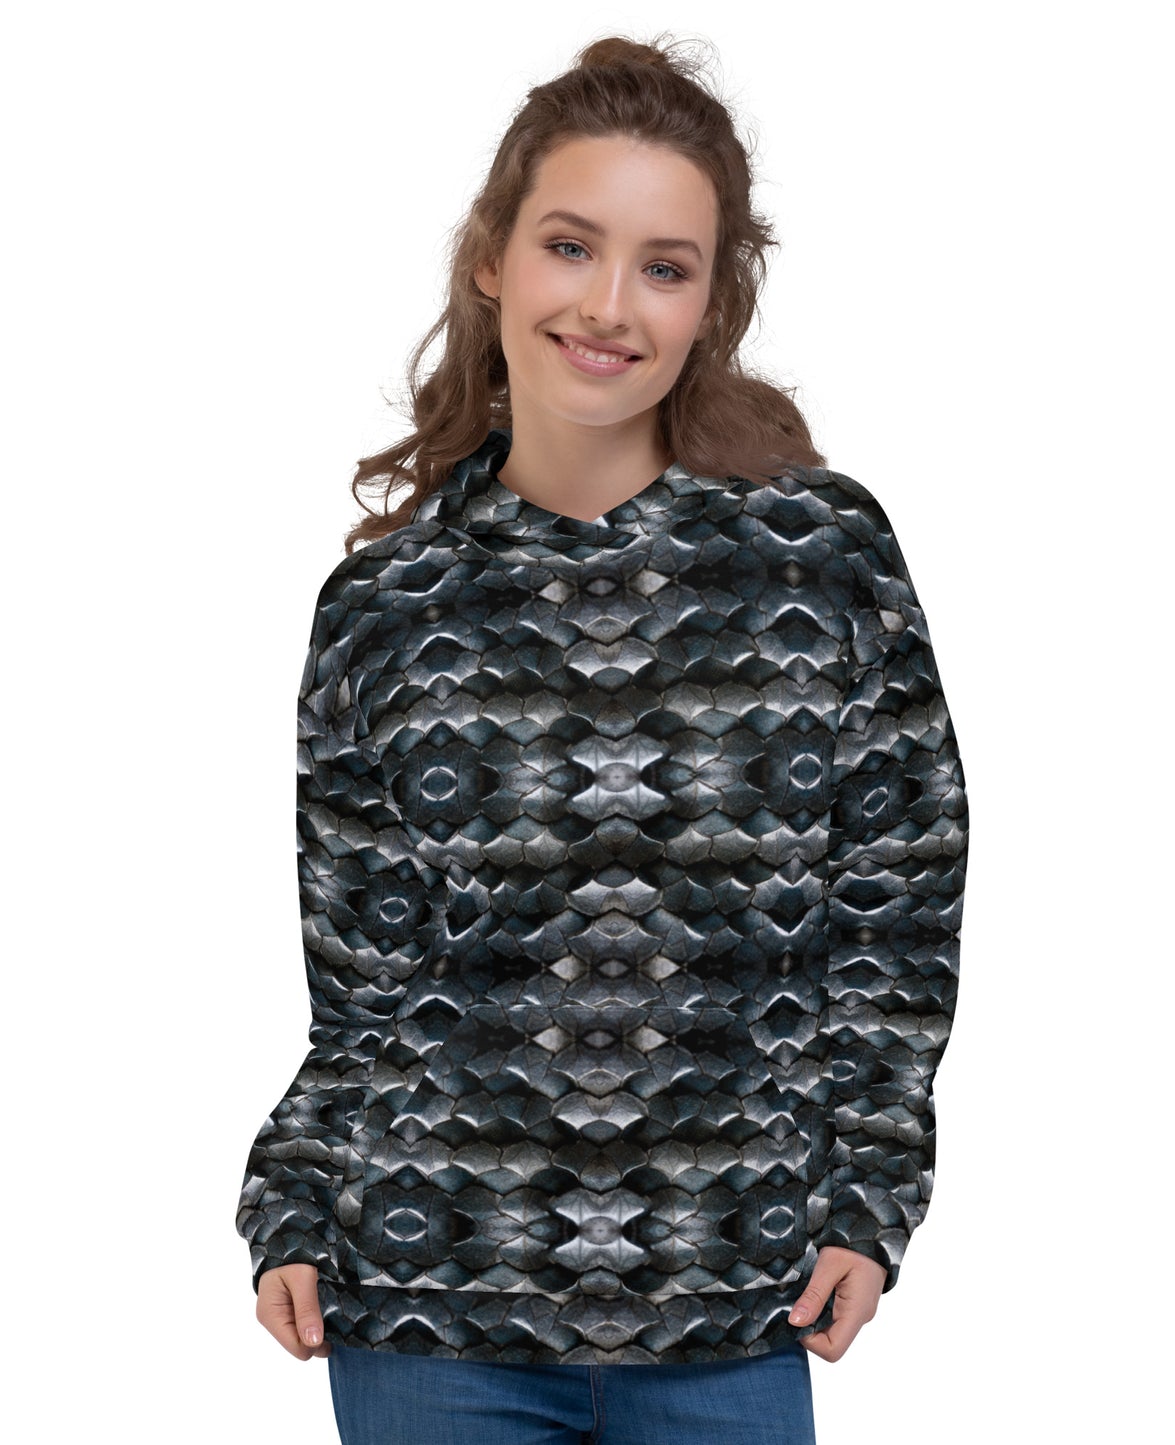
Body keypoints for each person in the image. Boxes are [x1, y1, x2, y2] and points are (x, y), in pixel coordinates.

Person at [235, 31, 969, 1445]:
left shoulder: (821, 559)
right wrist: (295, 1203)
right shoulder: (384, 605)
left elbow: (896, 905)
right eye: (571, 246)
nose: (609, 305)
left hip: (734, 1303)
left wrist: (870, 1194)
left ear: (712, 303)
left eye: (665, 266)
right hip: (423, 1310)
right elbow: (365, 988)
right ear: (492, 259)